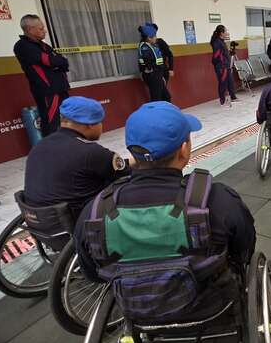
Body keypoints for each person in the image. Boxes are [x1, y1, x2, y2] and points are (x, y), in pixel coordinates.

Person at [73, 101, 256, 269]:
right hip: (209, 300)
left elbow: (91, 271)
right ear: (183, 151)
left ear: (131, 151)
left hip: (131, 302)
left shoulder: (96, 210)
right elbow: (244, 248)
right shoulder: (218, 200)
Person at [23, 96, 130, 222]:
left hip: (40, 222)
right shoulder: (91, 151)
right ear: (90, 124)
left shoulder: (41, 145)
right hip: (79, 222)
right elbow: (124, 172)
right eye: (100, 122)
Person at [13, 14, 70, 137]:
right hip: (48, 91)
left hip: (61, 87)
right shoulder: (23, 46)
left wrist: (57, 62)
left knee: (68, 119)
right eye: (40, 28)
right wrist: (56, 62)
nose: (44, 31)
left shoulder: (44, 46)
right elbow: (50, 61)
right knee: (51, 122)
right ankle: (51, 151)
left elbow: (63, 62)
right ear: (29, 30)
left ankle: (68, 146)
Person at [137, 22, 174, 103]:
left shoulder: (152, 45)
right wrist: (149, 70)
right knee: (157, 98)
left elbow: (168, 55)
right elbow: (147, 61)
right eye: (154, 36)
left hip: (158, 74)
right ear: (149, 38)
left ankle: (166, 113)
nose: (156, 38)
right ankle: (157, 114)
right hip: (154, 76)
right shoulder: (144, 47)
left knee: (166, 97)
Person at [210, 25, 238, 106]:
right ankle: (222, 100)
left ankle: (233, 97)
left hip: (226, 65)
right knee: (223, 83)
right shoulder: (217, 42)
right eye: (225, 31)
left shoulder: (222, 41)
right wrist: (222, 63)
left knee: (230, 82)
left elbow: (223, 53)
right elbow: (216, 55)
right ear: (221, 33)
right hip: (222, 67)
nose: (227, 33)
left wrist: (229, 54)